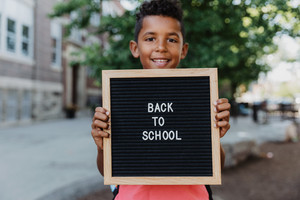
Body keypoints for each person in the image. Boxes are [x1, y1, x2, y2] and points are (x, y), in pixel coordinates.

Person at [91, 0, 231, 199]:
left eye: (172, 40)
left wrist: (214, 135)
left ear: (183, 50)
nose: (161, 47)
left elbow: (216, 166)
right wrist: (101, 146)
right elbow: (108, 171)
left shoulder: (196, 99)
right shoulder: (123, 100)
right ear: (135, 47)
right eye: (150, 39)